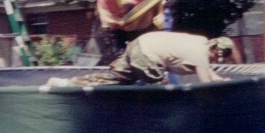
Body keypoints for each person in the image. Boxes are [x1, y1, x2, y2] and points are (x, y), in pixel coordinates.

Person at [47, 31, 240, 87]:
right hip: (147, 57)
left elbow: (209, 72)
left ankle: (65, 83)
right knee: (164, 89)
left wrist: (221, 79)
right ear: (214, 48)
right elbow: (206, 85)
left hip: (139, 45)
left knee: (115, 79)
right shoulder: (201, 54)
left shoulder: (201, 43)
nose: (214, 60)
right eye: (216, 56)